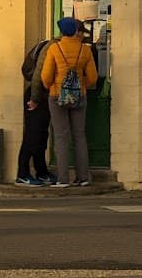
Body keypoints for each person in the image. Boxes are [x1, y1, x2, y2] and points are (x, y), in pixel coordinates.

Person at [41, 16, 98, 187]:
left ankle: (62, 178)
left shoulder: (54, 49)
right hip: (79, 96)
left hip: (57, 96)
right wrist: (81, 86)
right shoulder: (85, 50)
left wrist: (52, 86)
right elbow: (93, 77)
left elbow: (45, 76)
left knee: (61, 137)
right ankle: (83, 177)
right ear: (75, 31)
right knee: (79, 136)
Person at [15, 37, 56, 186]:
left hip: (41, 94)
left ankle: (41, 171)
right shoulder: (52, 47)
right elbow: (39, 75)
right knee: (32, 136)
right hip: (37, 95)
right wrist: (35, 98)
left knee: (41, 136)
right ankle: (23, 173)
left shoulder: (53, 46)